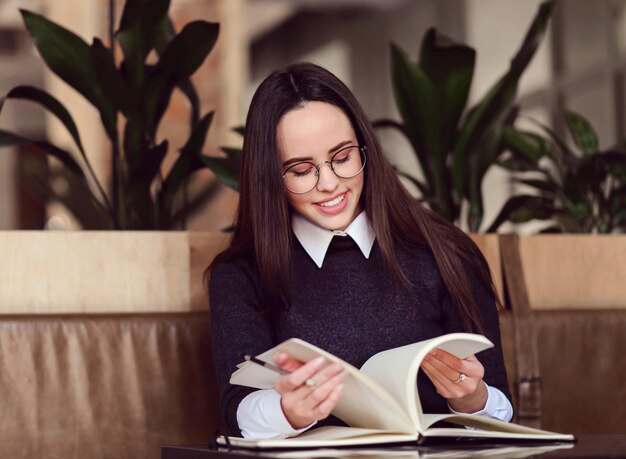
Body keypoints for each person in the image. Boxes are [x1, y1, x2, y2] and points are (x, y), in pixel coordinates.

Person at [208, 62, 513, 439]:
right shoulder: (241, 275)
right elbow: (237, 413)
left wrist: (471, 398)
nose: (330, 183)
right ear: (271, 176)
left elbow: (500, 411)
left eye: (342, 158)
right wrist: (287, 411)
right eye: (302, 170)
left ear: (364, 147)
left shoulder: (447, 253)